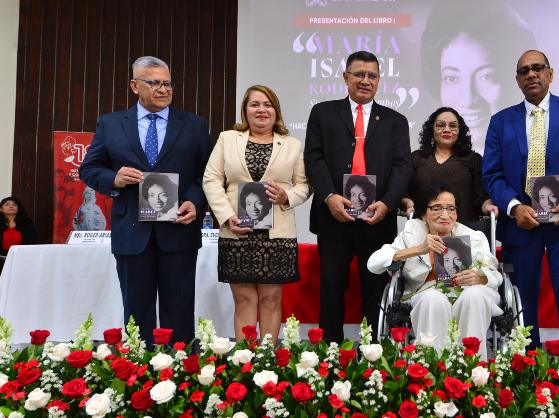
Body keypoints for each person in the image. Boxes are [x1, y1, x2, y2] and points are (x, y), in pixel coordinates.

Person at [79, 56, 212, 347]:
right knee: (135, 313)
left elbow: (209, 173)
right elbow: (88, 169)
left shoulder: (194, 125)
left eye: (167, 83)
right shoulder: (111, 123)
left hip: (178, 229)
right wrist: (113, 178)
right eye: (153, 83)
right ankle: (139, 374)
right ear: (134, 86)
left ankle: (180, 375)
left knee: (179, 310)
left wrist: (194, 201)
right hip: (131, 232)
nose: (162, 89)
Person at [483, 49, 559, 348]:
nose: (531, 74)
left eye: (537, 68)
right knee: (521, 308)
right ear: (517, 80)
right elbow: (492, 174)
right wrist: (513, 208)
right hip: (522, 227)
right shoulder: (501, 121)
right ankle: (528, 370)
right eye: (524, 71)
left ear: (550, 74)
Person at [304, 50, 412, 343]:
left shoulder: (395, 120)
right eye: (359, 74)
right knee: (332, 286)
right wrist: (329, 196)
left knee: (374, 288)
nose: (365, 81)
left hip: (377, 220)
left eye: (372, 76)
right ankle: (330, 352)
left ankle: (373, 351)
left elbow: (403, 167)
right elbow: (313, 159)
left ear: (379, 80)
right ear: (346, 77)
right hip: (333, 218)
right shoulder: (323, 112)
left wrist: (387, 203)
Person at [204, 84, 310, 342]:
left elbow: (304, 185)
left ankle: (266, 360)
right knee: (243, 299)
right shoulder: (227, 138)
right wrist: (228, 217)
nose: (261, 110)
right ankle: (245, 360)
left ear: (276, 110)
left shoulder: (292, 144)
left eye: (267, 104)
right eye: (255, 104)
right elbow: (211, 179)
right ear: (245, 110)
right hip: (237, 230)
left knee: (271, 298)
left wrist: (288, 196)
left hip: (277, 234)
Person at [368, 184, 501, 359]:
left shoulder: (474, 236)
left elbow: (495, 274)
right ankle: (434, 372)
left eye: (451, 209)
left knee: (474, 296)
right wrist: (418, 249)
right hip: (426, 291)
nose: (445, 215)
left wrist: (479, 277)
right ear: (423, 213)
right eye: (437, 208)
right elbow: (373, 264)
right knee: (433, 299)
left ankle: (474, 370)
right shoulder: (412, 232)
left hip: (468, 289)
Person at [420, 0, 536, 154]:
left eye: (486, 76)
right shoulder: (423, 163)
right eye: (452, 78)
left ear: (515, 83)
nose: (468, 100)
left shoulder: (535, 152)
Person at [402, 107, 498, 223]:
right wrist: (408, 204)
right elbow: (403, 191)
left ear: (460, 131)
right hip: (423, 232)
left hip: (464, 232)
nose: (447, 129)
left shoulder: (473, 159)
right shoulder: (416, 158)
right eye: (440, 125)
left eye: (452, 126)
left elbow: (482, 197)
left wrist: (488, 206)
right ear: (431, 129)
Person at [0, 197, 37, 273]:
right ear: (1, 209)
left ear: (18, 208)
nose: (11, 206)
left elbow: (31, 242)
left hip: (21, 260)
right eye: (7, 205)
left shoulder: (27, 223)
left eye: (14, 205)